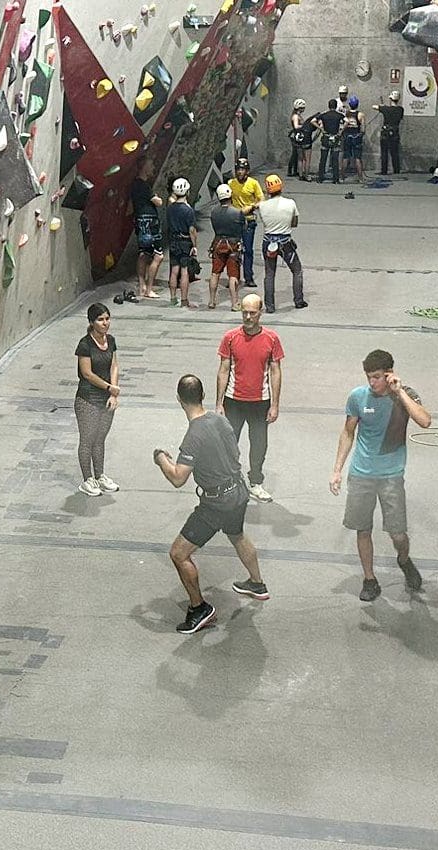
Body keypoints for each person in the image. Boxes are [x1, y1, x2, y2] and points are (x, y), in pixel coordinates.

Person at [153, 374, 269, 634]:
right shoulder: (221, 420)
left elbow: (177, 478)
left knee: (179, 554)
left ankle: (199, 608)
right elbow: (235, 453)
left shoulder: (194, 435)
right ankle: (257, 583)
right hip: (238, 491)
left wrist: (161, 458)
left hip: (216, 503)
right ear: (202, 396)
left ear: (179, 400)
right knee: (237, 534)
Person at [330, 349, 432, 600]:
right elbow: (347, 433)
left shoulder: (406, 396)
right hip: (361, 473)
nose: (372, 383)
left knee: (397, 533)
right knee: (362, 529)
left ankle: (404, 559)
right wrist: (337, 470)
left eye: (377, 377)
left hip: (391, 475)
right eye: (369, 377)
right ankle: (369, 579)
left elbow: (425, 421)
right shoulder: (357, 397)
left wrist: (399, 393)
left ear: (389, 374)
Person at [216, 294, 282, 502]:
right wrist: (219, 403)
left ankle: (255, 482)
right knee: (228, 443)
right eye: (244, 312)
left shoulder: (271, 339)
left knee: (259, 444)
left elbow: (276, 372)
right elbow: (224, 369)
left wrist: (275, 404)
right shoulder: (230, 337)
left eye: (252, 313)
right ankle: (228, 480)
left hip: (260, 402)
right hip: (233, 400)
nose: (247, 317)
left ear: (260, 313)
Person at [74, 303, 121, 496]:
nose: (105, 323)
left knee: (100, 439)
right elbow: (87, 373)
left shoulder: (111, 340)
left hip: (106, 399)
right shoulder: (85, 344)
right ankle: (87, 479)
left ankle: (100, 475)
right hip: (88, 399)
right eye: (100, 320)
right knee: (88, 439)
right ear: (92, 322)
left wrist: (113, 393)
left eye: (107, 319)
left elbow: (114, 365)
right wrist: (109, 387)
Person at [254, 175, 306, 311]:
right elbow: (294, 224)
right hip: (285, 242)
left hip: (268, 241)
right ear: (281, 187)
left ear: (267, 190)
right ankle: (299, 300)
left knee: (269, 274)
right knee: (297, 270)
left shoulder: (263, 206)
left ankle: (270, 306)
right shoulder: (290, 203)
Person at [226, 157, 263, 288]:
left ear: (247, 171)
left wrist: (252, 206)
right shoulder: (231, 183)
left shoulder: (253, 183)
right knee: (233, 250)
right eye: (238, 169)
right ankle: (233, 277)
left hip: (248, 221)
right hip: (234, 221)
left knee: (248, 250)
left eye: (242, 169)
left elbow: (261, 200)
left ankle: (248, 277)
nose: (240, 172)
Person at [130, 157, 164, 299]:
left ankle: (142, 285)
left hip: (140, 221)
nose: (153, 167)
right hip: (150, 223)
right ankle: (149, 288)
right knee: (158, 255)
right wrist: (157, 196)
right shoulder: (144, 186)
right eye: (150, 164)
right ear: (143, 167)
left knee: (143, 253)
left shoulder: (134, 185)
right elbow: (158, 202)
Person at [206, 184, 245, 309]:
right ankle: (234, 303)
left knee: (215, 273)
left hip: (217, 243)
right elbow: (243, 228)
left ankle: (212, 301)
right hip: (233, 244)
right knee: (233, 275)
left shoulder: (213, 212)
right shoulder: (237, 212)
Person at [166, 177, 197, 307]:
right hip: (185, 241)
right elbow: (192, 230)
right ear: (187, 192)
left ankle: (173, 298)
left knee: (174, 270)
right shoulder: (188, 210)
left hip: (173, 240)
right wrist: (194, 245)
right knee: (184, 271)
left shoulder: (170, 208)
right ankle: (184, 300)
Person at [312, 98, 346, 183]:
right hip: (335, 137)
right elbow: (347, 121)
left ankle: (320, 178)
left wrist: (321, 129)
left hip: (326, 137)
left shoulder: (324, 114)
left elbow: (313, 121)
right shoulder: (339, 115)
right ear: (335, 106)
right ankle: (336, 179)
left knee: (323, 159)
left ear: (329, 105)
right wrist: (340, 132)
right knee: (335, 159)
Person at [377, 90, 405, 174]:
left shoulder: (386, 109)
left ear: (390, 99)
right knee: (395, 152)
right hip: (395, 132)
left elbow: (374, 107)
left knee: (384, 152)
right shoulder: (400, 109)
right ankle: (396, 170)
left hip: (385, 132)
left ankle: (384, 171)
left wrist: (381, 107)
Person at [288, 98, 313, 179]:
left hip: (298, 137)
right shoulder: (296, 116)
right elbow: (296, 126)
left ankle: (300, 174)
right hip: (299, 137)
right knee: (302, 158)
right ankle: (303, 174)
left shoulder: (297, 115)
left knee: (300, 158)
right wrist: (305, 126)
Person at [343, 96, 365, 181]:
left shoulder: (346, 114)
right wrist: (361, 134)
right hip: (356, 137)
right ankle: (360, 178)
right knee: (358, 158)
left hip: (347, 136)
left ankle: (342, 177)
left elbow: (343, 125)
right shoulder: (360, 115)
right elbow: (363, 128)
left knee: (346, 157)